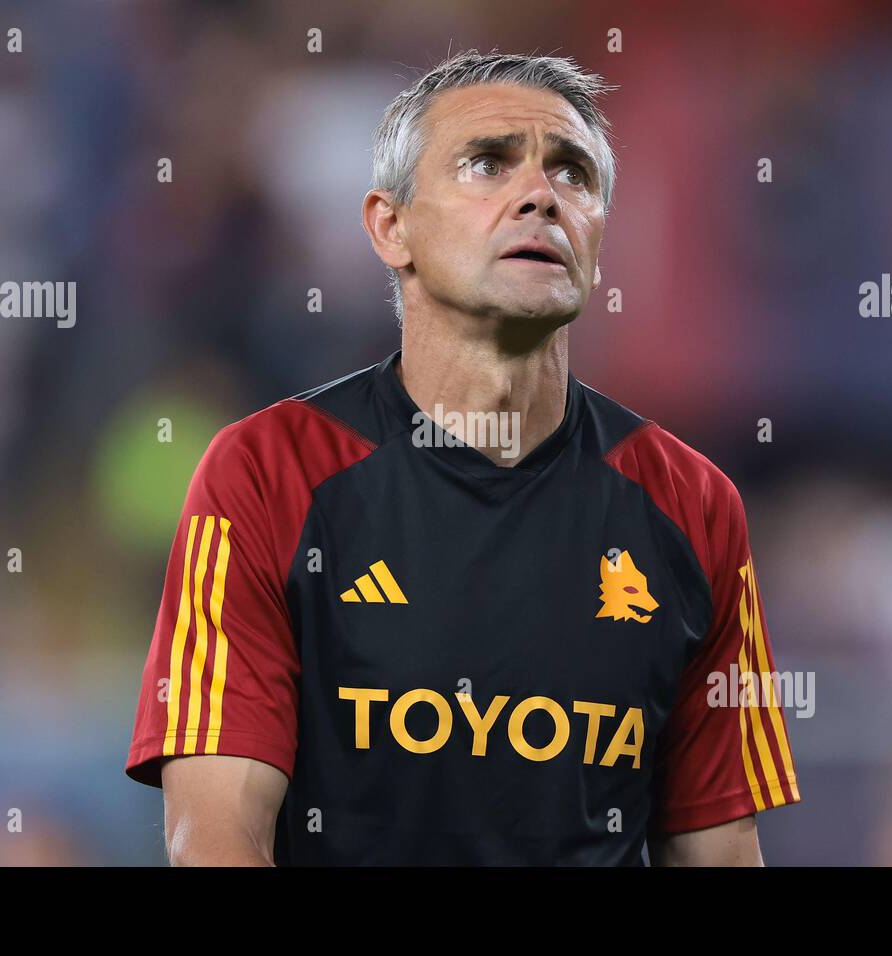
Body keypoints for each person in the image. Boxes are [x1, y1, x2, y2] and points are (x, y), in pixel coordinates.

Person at [125, 49, 800, 865]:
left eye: (573, 175)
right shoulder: (266, 474)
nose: (541, 196)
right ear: (390, 227)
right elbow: (216, 842)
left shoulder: (693, 505)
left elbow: (721, 848)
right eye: (488, 164)